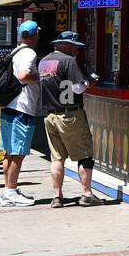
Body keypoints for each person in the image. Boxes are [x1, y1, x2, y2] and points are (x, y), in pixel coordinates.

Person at [39, 31, 102, 209]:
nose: (76, 50)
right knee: (85, 156)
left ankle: (57, 197)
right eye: (74, 46)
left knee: (57, 158)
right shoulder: (69, 61)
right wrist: (89, 82)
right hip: (70, 115)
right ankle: (86, 194)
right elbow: (77, 88)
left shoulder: (43, 62)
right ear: (65, 45)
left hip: (50, 115)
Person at [0, 21, 42, 208]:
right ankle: (10, 192)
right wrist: (39, 78)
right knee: (18, 154)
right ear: (34, 35)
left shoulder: (15, 51)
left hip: (9, 106)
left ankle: (9, 190)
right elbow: (24, 76)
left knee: (9, 152)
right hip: (22, 108)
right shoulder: (29, 53)